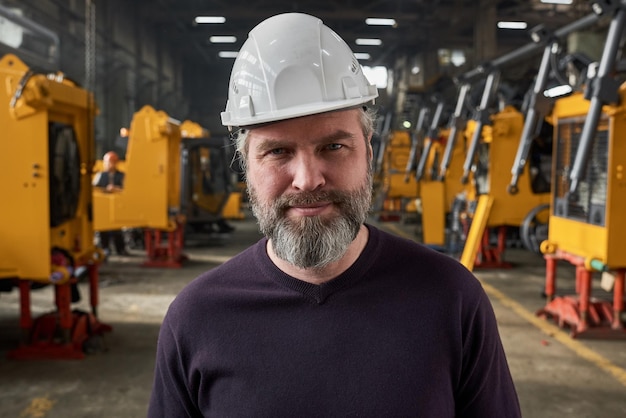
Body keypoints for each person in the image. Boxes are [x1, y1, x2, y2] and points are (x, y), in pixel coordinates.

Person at [148, 12, 521, 417]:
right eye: (278, 152)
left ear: (369, 155)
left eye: (333, 147)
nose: (307, 180)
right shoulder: (197, 318)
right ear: (246, 166)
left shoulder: (452, 300)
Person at [92, 150, 128, 256]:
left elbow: (126, 189)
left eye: (111, 162)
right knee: (103, 229)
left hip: (117, 206)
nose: (108, 164)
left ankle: (120, 249)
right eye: (107, 162)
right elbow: (95, 188)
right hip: (103, 206)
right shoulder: (100, 175)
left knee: (117, 229)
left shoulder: (122, 176)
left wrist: (116, 189)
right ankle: (105, 248)